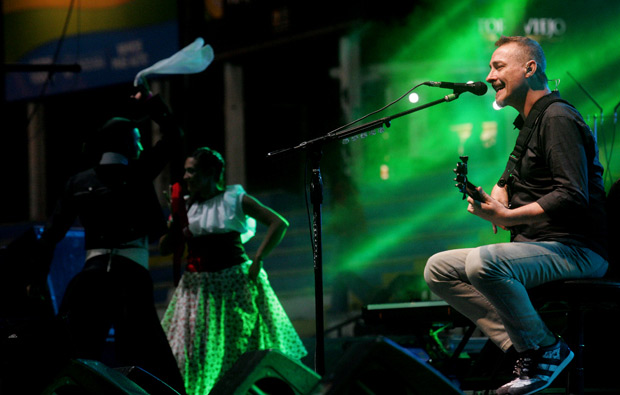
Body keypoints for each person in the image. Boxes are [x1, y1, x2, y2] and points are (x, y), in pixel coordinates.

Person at [424, 35, 608, 395]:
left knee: (484, 262)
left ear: (530, 68)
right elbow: (511, 186)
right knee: (438, 268)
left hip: (577, 249)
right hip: (544, 246)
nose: (489, 75)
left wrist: (509, 217)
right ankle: (530, 344)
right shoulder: (530, 122)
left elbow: (572, 194)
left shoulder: (557, 117)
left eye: (498, 66)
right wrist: (497, 200)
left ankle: (543, 351)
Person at [36, 89, 187, 394]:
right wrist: (152, 102)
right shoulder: (138, 173)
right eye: (137, 138)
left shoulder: (78, 182)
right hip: (130, 279)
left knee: (76, 361)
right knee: (148, 365)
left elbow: (50, 236)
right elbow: (173, 136)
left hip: (89, 280)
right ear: (127, 143)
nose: (142, 143)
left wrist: (37, 280)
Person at [159, 147, 307, 395]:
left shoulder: (233, 199)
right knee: (194, 353)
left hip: (233, 285)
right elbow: (165, 248)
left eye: (191, 171)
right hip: (198, 291)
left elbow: (278, 222)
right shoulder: (185, 206)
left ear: (210, 173)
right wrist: (176, 218)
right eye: (185, 171)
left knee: (240, 348)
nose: (185, 177)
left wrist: (259, 257)